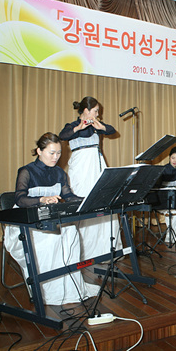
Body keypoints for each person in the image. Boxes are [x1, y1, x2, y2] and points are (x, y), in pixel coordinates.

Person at [4, 132, 99, 305]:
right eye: (51, 153)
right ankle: (47, 291)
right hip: (26, 219)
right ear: (39, 151)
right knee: (49, 240)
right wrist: (41, 200)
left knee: (71, 232)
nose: (56, 157)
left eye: (59, 153)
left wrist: (90, 198)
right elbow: (20, 199)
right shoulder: (26, 171)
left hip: (49, 216)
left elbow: (69, 196)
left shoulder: (59, 173)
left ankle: (69, 287)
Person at [59, 96, 121, 261]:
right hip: (81, 168)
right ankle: (82, 251)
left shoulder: (96, 126)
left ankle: (105, 248)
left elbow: (112, 130)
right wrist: (78, 128)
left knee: (103, 200)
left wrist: (100, 126)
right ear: (86, 111)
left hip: (96, 166)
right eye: (95, 111)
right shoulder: (72, 126)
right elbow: (62, 135)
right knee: (83, 200)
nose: (97, 114)